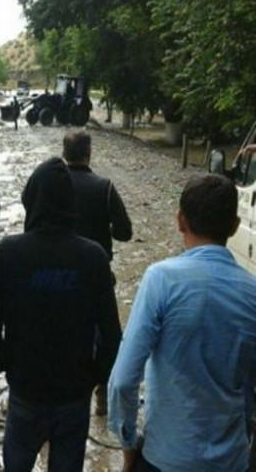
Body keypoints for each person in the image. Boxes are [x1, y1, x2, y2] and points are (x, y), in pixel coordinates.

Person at [107, 174, 256, 472]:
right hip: (231, 461)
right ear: (234, 226)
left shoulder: (161, 280)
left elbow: (123, 381)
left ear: (180, 220)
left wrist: (128, 445)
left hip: (165, 458)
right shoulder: (252, 293)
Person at [0, 157, 122, 471]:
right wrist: (94, 376)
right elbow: (112, 333)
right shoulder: (93, 257)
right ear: (69, 202)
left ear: (32, 200)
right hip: (73, 393)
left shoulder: (10, 252)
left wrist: (6, 365)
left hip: (26, 390)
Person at [63, 130, 132, 416]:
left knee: (62, 333)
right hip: (97, 275)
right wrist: (106, 229)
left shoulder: (53, 186)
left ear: (64, 154)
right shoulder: (104, 188)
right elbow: (125, 232)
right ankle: (102, 395)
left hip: (59, 275)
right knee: (107, 335)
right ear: (89, 153)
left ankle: (63, 392)